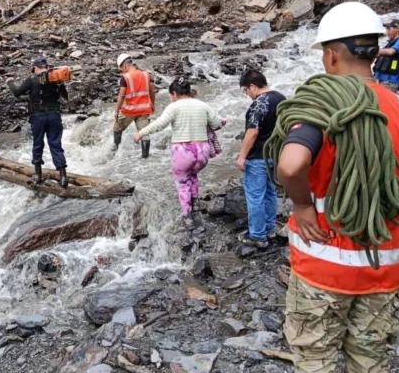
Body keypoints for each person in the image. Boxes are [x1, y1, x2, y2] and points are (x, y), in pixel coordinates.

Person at [274, 2, 399, 373]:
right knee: (371, 366)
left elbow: (290, 165)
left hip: (323, 268)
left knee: (314, 370)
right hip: (385, 266)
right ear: (375, 52)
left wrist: (303, 206)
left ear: (330, 54)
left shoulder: (321, 103)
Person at [133, 77, 225, 227]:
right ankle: (195, 204)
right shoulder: (203, 105)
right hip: (202, 152)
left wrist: (141, 133)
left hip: (183, 152)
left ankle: (187, 216)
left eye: (171, 95)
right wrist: (221, 121)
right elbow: (216, 124)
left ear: (174, 93)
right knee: (193, 175)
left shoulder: (174, 107)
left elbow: (159, 124)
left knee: (182, 182)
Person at [235, 70, 286, 249]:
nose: (247, 94)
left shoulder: (259, 104)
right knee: (270, 192)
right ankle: (270, 229)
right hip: (275, 155)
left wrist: (242, 156)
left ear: (252, 86)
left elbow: (253, 132)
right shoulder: (281, 98)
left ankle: (257, 235)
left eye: (246, 90)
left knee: (255, 197)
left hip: (258, 157)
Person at [7, 57, 69, 188]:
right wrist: (60, 84)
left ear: (35, 68)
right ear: (46, 66)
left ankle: (38, 175)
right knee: (56, 144)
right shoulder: (55, 78)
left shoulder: (32, 79)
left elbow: (17, 93)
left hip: (38, 116)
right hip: (54, 116)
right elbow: (66, 96)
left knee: (38, 144)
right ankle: (63, 176)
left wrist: (10, 83)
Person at [113, 53, 156, 158]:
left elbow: (121, 96)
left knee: (117, 127)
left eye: (121, 68)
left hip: (130, 110)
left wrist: (116, 111)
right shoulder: (146, 75)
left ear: (125, 66)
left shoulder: (125, 77)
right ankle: (145, 158)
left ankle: (116, 150)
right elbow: (152, 91)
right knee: (144, 134)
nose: (122, 71)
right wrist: (152, 105)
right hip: (144, 109)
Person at [373, 18, 399, 90]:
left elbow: (391, 52)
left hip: (389, 81)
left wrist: (373, 50)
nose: (387, 31)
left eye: (388, 28)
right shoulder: (391, 42)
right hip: (378, 78)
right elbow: (380, 54)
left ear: (397, 29)